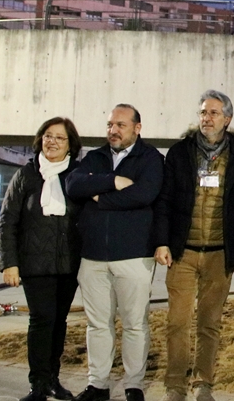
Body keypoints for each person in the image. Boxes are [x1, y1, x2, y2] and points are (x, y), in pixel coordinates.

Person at [153, 91, 234, 401]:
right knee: (177, 323)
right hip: (182, 253)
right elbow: (165, 200)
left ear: (227, 119)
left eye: (213, 113)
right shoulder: (180, 153)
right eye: (203, 112)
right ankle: (174, 385)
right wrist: (162, 242)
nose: (206, 118)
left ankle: (203, 384)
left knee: (210, 324)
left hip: (219, 255)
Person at [65, 104, 164, 401]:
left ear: (137, 127)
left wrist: (99, 198)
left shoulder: (151, 159)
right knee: (97, 325)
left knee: (135, 324)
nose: (113, 130)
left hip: (134, 257)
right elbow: (73, 184)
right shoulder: (94, 157)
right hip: (93, 257)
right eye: (110, 125)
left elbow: (144, 195)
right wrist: (112, 181)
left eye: (120, 125)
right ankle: (98, 384)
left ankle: (134, 384)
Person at [0, 117, 85, 401]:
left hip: (69, 264)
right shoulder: (26, 175)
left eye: (60, 138)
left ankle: (53, 380)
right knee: (42, 320)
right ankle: (37, 384)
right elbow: (7, 221)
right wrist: (9, 263)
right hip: (35, 264)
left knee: (59, 321)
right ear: (40, 139)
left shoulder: (77, 175)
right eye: (48, 136)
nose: (53, 142)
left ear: (70, 144)